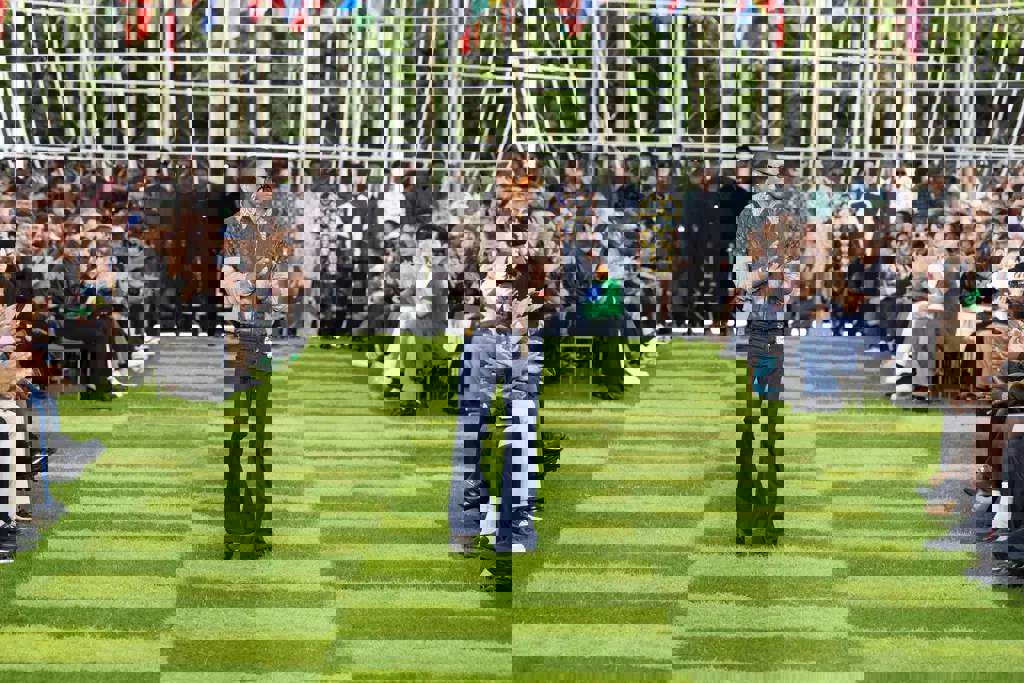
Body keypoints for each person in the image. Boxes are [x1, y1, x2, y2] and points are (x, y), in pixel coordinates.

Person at [448, 149, 561, 555]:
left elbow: (556, 290)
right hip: (482, 335)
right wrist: (479, 297)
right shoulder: (474, 223)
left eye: (527, 182)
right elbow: (454, 282)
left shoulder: (544, 228)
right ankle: (467, 526)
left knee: (522, 433)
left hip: (524, 338)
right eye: (514, 181)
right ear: (500, 180)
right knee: (472, 431)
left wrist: (535, 301)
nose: (519, 191)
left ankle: (515, 530)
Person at [221, 167, 294, 560]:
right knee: (237, 438)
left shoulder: (281, 230)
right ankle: (235, 531)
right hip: (238, 339)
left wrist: (260, 289)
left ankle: (256, 532)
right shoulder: (234, 226)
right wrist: (252, 288)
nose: (265, 193)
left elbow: (286, 286)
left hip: (263, 338)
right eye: (260, 186)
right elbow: (228, 280)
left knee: (259, 439)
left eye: (269, 187)